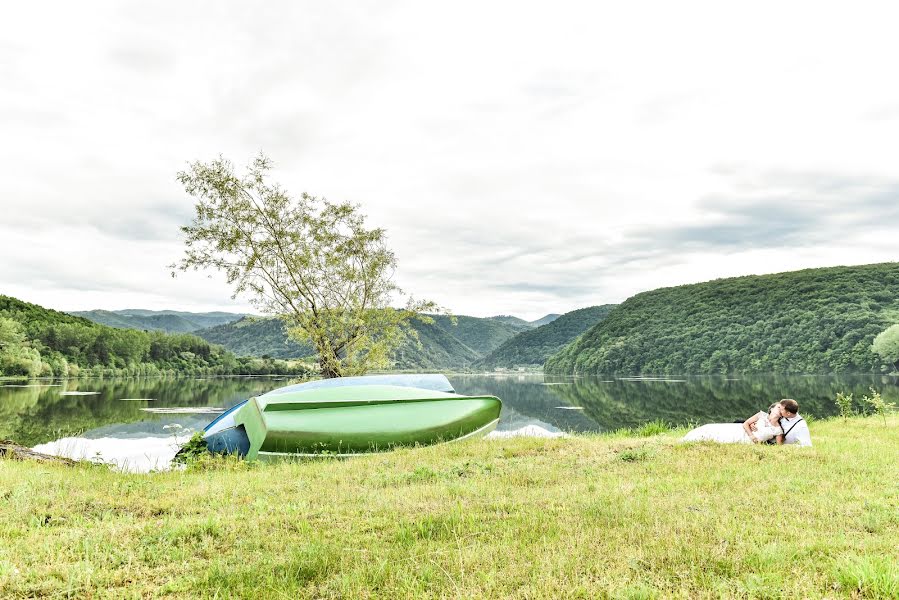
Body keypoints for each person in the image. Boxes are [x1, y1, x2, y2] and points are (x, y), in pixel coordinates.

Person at [682, 399, 812, 446]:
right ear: (771, 409)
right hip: (745, 431)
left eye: (781, 408)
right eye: (777, 407)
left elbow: (779, 446)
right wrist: (750, 427)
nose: (779, 409)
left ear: (786, 413)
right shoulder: (763, 415)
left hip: (752, 441)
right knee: (713, 429)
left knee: (726, 440)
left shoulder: (781, 425)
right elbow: (746, 423)